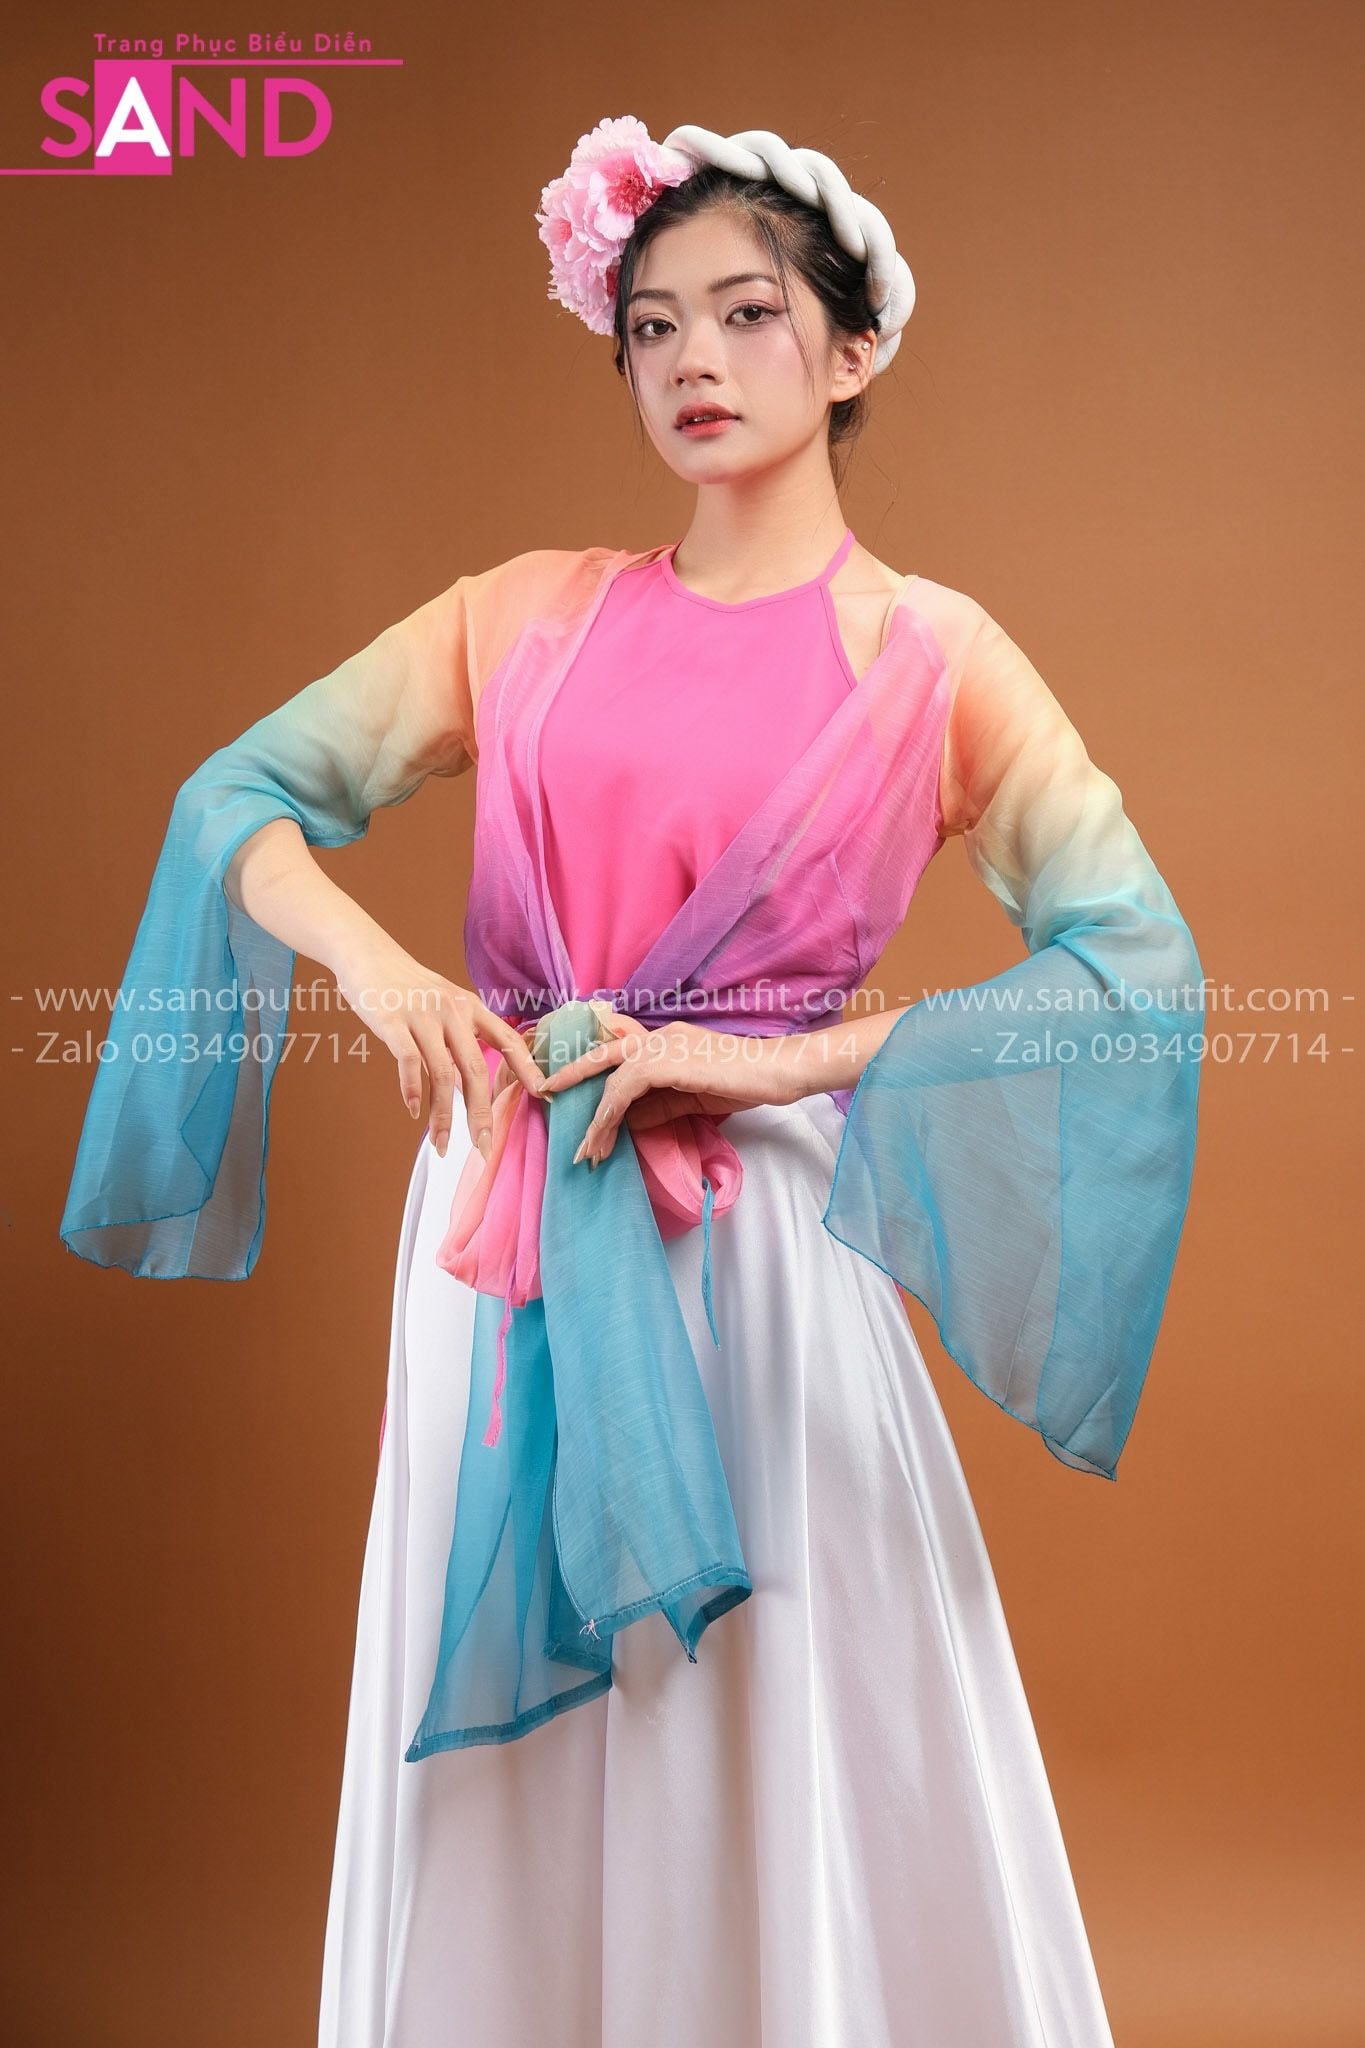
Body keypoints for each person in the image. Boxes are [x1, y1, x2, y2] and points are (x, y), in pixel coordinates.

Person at [60, 119, 1204, 2047]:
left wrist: (768, 1063)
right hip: (501, 1224)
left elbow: (1131, 970)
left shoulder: (933, 659)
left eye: (747, 315)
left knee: (760, 1691)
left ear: (851, 347)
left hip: (757, 1240)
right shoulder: (525, 611)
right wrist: (382, 971)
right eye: (651, 324)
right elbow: (234, 799)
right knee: (510, 1725)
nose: (692, 360)